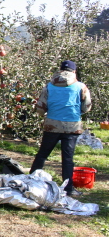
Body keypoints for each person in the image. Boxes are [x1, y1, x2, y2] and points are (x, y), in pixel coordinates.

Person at [29, 60, 92, 197]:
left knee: (42, 154)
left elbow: (40, 107)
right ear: (74, 72)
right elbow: (87, 106)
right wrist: (77, 112)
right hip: (72, 125)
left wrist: (46, 114)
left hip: (52, 124)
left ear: (60, 70)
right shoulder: (81, 86)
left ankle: (31, 181)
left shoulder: (49, 87)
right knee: (68, 158)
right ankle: (68, 188)